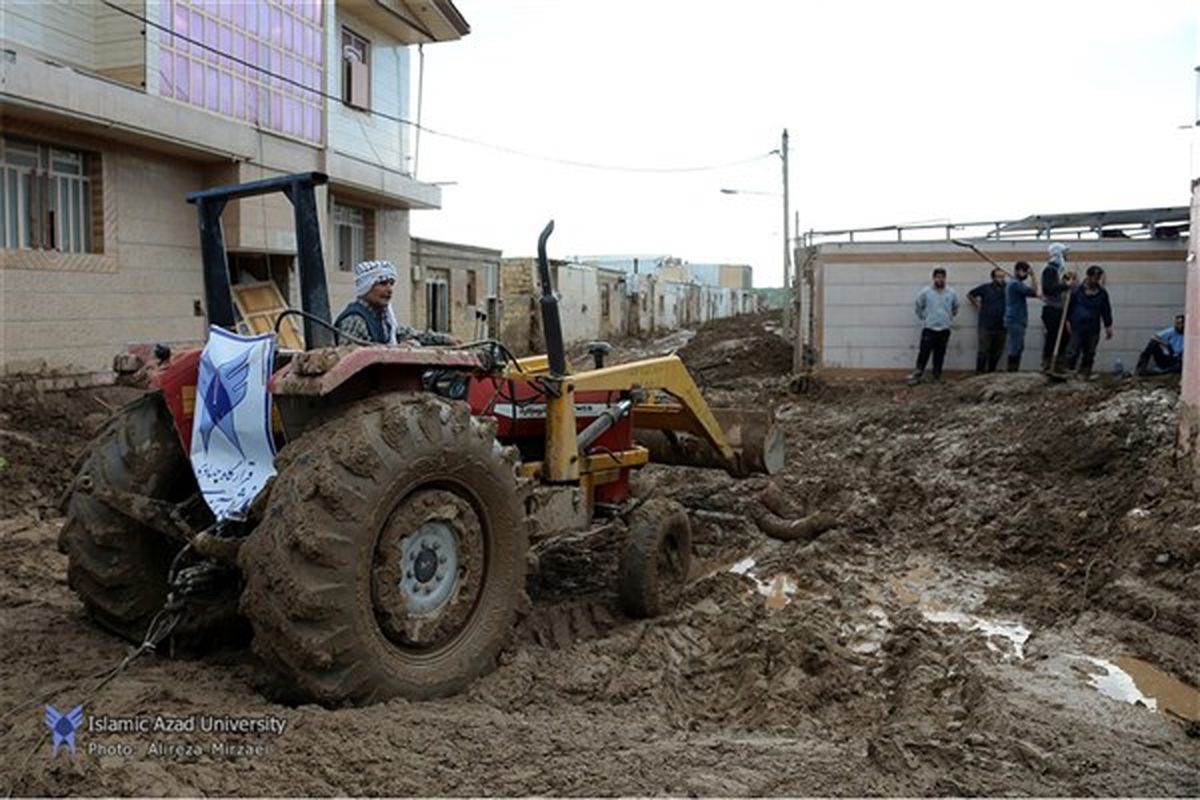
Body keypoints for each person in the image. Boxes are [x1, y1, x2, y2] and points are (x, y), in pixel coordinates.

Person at [335, 260, 458, 346]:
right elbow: (352, 358)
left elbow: (407, 334)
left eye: (391, 283)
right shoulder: (355, 319)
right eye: (383, 284)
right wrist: (394, 351)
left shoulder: (384, 320)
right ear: (366, 287)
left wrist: (445, 339)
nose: (389, 289)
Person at [907, 267, 959, 385]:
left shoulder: (951, 292)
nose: (940, 279)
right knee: (924, 353)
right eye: (937, 277)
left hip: (944, 329)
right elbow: (918, 306)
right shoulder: (926, 292)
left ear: (945, 278)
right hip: (929, 328)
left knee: (940, 354)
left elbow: (955, 307)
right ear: (933, 278)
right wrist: (925, 318)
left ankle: (936, 377)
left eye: (942, 277)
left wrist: (948, 318)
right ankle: (917, 376)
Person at [1063, 265, 1113, 379]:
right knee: (1073, 350)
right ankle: (1069, 372)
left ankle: (1085, 373)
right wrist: (1067, 321)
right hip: (1077, 326)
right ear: (1088, 276)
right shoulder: (1076, 291)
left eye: (1098, 278)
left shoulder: (1102, 294)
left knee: (1090, 352)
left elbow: (1106, 310)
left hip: (1093, 327)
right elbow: (1068, 307)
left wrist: (1108, 326)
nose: (1095, 280)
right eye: (1093, 277)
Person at [967, 268, 1007, 373]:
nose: (1001, 279)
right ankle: (979, 373)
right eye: (998, 276)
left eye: (1003, 276)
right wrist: (977, 304)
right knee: (983, 350)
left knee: (997, 352)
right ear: (993, 277)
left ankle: (991, 372)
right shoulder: (986, 288)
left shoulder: (1008, 289)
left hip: (1002, 325)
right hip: (986, 325)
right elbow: (970, 294)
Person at [1040, 243, 1071, 371]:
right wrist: (1065, 286)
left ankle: (1057, 363)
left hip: (1058, 309)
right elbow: (1048, 289)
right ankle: (1048, 363)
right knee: (1053, 337)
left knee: (1064, 336)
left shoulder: (1057, 271)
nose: (1066, 257)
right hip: (1051, 310)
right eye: (1064, 254)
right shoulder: (1049, 270)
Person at [1003, 261, 1038, 372]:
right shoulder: (1015, 284)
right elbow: (1033, 291)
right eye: (1026, 272)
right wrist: (1033, 276)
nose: (1027, 275)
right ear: (1019, 271)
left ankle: (1014, 370)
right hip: (1015, 319)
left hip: (1017, 318)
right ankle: (1012, 372)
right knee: (1016, 346)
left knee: (1019, 346)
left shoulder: (1017, 283)